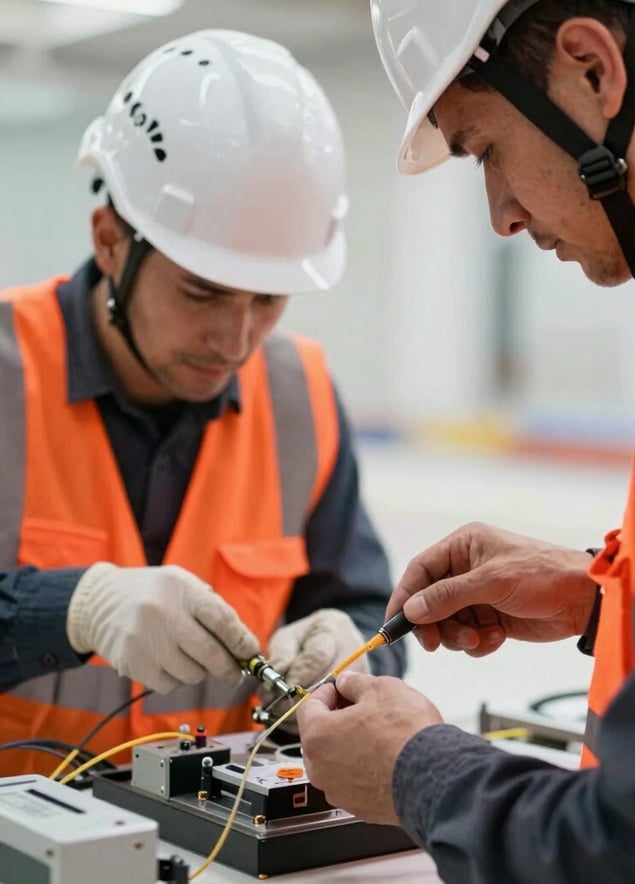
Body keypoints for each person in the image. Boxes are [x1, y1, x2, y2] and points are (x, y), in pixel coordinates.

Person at [297, 1, 635, 880]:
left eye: (485, 150)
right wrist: (602, 599)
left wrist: (413, 767)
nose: (502, 216)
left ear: (593, 68)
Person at [0, 29, 404, 776]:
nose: (236, 337)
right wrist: (70, 608)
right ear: (111, 242)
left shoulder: (299, 394)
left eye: (269, 298)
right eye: (202, 291)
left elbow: (364, 605)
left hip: (209, 848)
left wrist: (351, 648)